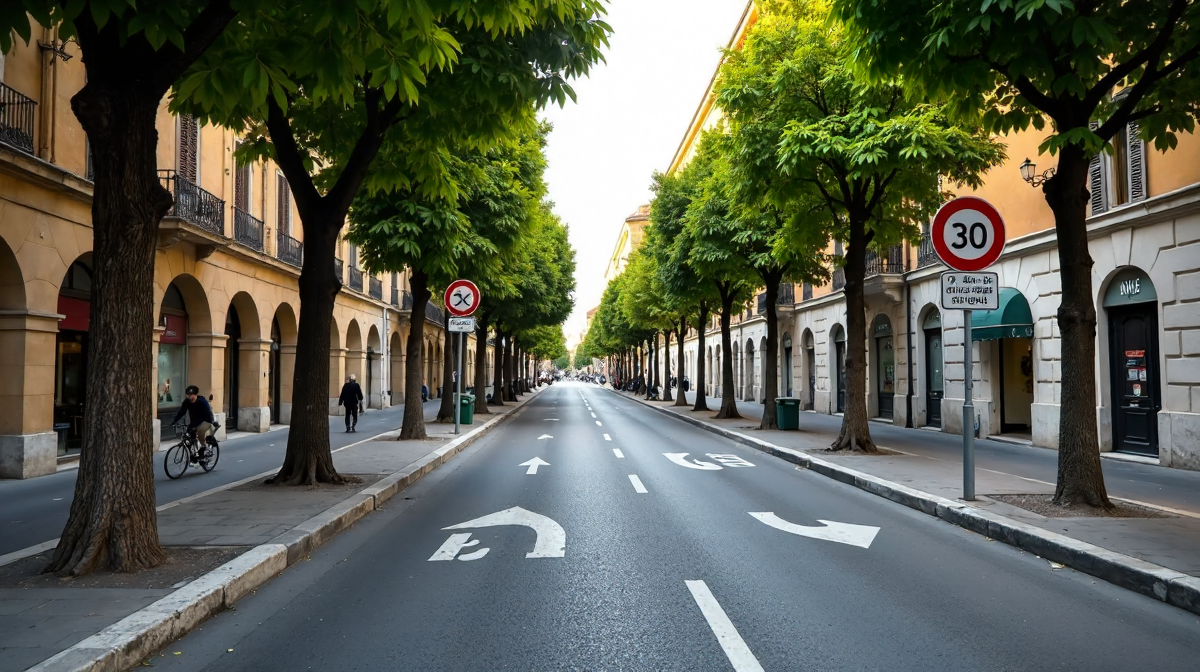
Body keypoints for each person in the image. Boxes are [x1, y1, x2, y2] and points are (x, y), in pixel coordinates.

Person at [171, 385, 217, 453]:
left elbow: (209, 412)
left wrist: (213, 421)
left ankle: (205, 447)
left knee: (200, 431)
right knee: (189, 434)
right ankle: (193, 452)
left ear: (195, 394)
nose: (189, 396)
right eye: (188, 395)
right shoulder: (187, 402)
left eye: (191, 395)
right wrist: (174, 421)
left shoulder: (202, 401)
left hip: (206, 420)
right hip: (195, 422)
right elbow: (181, 412)